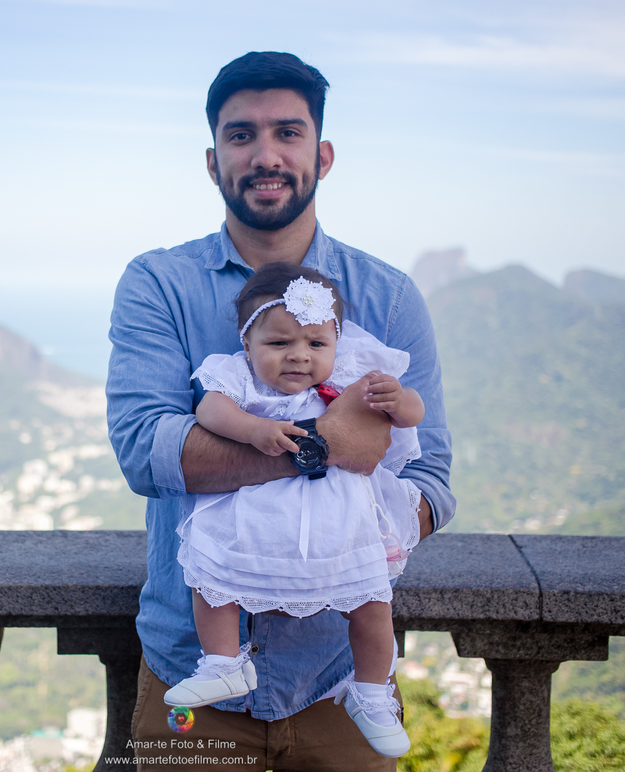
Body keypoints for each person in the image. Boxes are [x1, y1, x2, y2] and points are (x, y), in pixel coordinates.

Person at [106, 51, 455, 772]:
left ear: (322, 155)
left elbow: (434, 480)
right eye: (241, 136)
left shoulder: (387, 297)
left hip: (339, 683)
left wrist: (369, 534)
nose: (266, 155)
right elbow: (146, 449)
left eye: (287, 133)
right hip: (190, 680)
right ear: (213, 161)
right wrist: (323, 446)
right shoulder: (159, 284)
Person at [163, 262, 426, 758]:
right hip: (255, 518)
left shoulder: (353, 375)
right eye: (279, 344)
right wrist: (252, 430)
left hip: (339, 522)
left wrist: (402, 400)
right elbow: (210, 410)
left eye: (315, 344)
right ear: (248, 346)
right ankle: (223, 663)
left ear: (336, 343)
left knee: (372, 604)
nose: (298, 356)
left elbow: (410, 417)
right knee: (212, 578)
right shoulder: (238, 377)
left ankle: (371, 693)